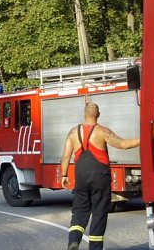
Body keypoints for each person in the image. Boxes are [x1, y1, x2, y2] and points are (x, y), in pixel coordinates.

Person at [60, 102, 140, 250]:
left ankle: (74, 241)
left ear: (84, 114)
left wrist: (64, 175)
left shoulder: (72, 132)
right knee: (99, 212)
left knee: (79, 210)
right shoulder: (103, 132)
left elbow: (65, 157)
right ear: (98, 115)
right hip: (100, 178)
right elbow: (123, 144)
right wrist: (143, 139)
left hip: (81, 177)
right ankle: (95, 248)